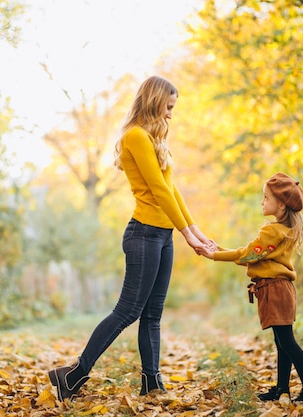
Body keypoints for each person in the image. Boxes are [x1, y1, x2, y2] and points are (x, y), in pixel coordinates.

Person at [47, 75, 214, 401]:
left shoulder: (153, 139)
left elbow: (172, 189)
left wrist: (195, 231)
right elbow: (158, 191)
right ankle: (74, 374)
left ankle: (152, 383)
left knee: (153, 314)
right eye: (168, 107)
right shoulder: (135, 136)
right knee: (128, 311)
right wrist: (187, 234)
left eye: (173, 108)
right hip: (144, 235)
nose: (170, 114)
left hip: (162, 236)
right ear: (154, 102)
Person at [198, 173, 303, 405]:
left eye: (266, 198)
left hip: (275, 290)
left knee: (287, 342)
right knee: (282, 342)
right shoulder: (281, 230)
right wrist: (220, 248)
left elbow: (247, 254)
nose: (262, 202)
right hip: (279, 289)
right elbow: (251, 254)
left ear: (281, 204)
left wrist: (213, 255)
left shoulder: (272, 231)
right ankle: (281, 389)